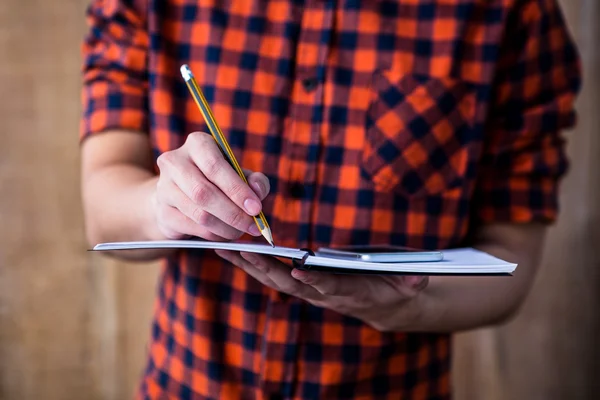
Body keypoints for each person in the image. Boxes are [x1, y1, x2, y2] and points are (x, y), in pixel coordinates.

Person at [78, 0, 581, 398]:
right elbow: (103, 209)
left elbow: (509, 259)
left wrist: (409, 308)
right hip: (188, 383)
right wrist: (165, 206)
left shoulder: (513, 12)